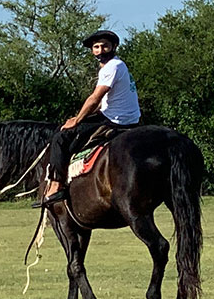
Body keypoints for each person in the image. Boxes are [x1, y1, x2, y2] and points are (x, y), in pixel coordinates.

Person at [34, 29, 141, 208]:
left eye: (105, 46)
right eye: (96, 47)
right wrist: (81, 117)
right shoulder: (117, 66)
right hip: (125, 117)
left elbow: (95, 98)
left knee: (61, 137)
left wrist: (76, 120)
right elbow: (105, 101)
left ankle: (56, 185)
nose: (100, 50)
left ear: (113, 46)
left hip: (115, 120)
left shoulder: (112, 67)